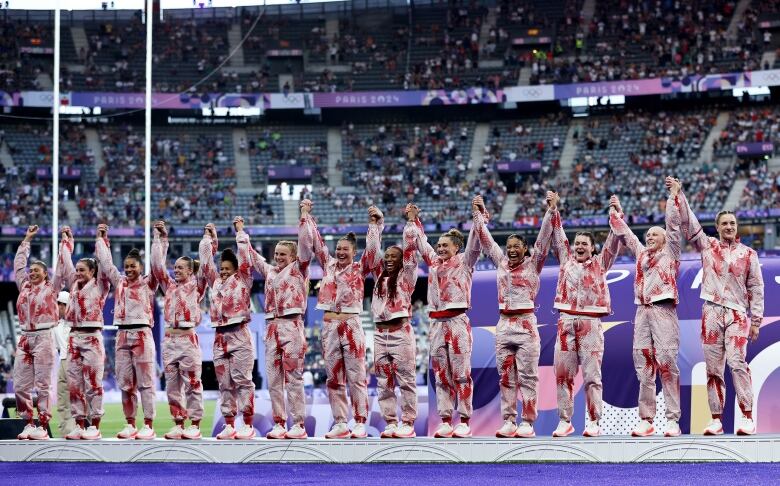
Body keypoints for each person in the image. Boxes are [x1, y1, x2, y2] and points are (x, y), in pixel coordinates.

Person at [678, 185, 764, 435]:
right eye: (724, 223)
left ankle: (747, 417)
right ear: (717, 227)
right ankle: (716, 419)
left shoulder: (749, 254)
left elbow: (756, 287)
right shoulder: (708, 247)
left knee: (738, 364)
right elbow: (690, 224)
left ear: (737, 227)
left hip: (738, 313)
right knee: (713, 368)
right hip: (712, 313)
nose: (729, 227)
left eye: (732, 223)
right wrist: (679, 195)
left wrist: (756, 320)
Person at [472, 193, 556, 438]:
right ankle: (509, 420)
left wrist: (551, 211)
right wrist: (478, 213)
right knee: (505, 376)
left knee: (528, 376)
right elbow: (486, 241)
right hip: (504, 324)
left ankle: (528, 422)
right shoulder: (500, 263)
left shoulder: (534, 264)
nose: (510, 251)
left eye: (516, 247)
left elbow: (543, 239)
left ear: (525, 249)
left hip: (526, 325)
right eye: (508, 247)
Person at [298, 200, 383, 439]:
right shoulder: (328, 266)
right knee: (334, 377)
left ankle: (359, 421)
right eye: (339, 248)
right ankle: (339, 422)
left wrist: (374, 225)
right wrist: (306, 215)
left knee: (356, 376)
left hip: (351, 324)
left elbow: (373, 250)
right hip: (329, 326)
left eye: (345, 249)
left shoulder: (360, 267)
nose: (340, 252)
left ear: (354, 252)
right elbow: (315, 242)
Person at [609, 178, 683, 437]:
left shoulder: (671, 254)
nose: (650, 236)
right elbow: (627, 236)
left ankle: (672, 419)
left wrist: (674, 197)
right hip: (642, 312)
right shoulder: (642, 255)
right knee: (643, 364)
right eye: (648, 234)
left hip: (663, 310)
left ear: (664, 239)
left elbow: (674, 228)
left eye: (655, 234)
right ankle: (647, 419)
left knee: (666, 362)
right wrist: (617, 213)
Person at [404, 200, 481, 438]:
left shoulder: (466, 261)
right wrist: (413, 219)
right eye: (438, 245)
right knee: (441, 374)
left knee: (461, 374)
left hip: (457, 321)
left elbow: (476, 242)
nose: (440, 248)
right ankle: (446, 419)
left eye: (445, 245)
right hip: (436, 324)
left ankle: (465, 421)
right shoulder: (434, 264)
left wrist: (478, 215)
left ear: (457, 247)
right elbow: (420, 241)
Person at [549, 193, 622, 438]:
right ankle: (565, 420)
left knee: (592, 375)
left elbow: (613, 242)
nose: (579, 246)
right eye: (577, 243)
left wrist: (615, 215)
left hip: (591, 323)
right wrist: (554, 210)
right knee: (562, 375)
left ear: (592, 248)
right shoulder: (565, 261)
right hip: (566, 321)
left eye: (584, 244)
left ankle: (593, 421)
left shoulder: (601, 264)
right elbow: (558, 235)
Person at [95, 223, 159, 440]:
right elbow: (106, 263)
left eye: (133, 266)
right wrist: (102, 239)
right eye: (127, 266)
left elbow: (158, 264)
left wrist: (158, 239)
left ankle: (148, 424)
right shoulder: (120, 282)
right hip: (122, 335)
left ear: (140, 267)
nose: (129, 269)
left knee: (146, 383)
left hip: (141, 333)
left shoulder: (149, 283)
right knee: (125, 383)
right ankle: (130, 423)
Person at [247, 232, 310, 440]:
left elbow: (306, 247)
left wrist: (304, 219)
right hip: (271, 327)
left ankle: (298, 424)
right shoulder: (270, 272)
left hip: (291, 326)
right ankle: (280, 423)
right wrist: (241, 234)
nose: (279, 257)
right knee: (273, 380)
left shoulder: (298, 270)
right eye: (276, 254)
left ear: (293, 257)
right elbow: (254, 257)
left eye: (283, 254)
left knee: (293, 378)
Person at [200, 218, 257, 440]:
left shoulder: (243, 278)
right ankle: (230, 424)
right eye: (221, 268)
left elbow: (244, 257)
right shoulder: (215, 283)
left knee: (243, 381)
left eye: (227, 269)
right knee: (224, 384)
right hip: (219, 336)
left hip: (239, 334)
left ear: (236, 270)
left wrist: (240, 233)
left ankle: (248, 424)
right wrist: (209, 239)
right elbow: (205, 263)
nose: (222, 272)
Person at [151, 221, 207, 440]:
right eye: (175, 268)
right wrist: (161, 239)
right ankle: (178, 423)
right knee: (172, 386)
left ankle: (194, 424)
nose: (175, 271)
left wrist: (208, 240)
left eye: (180, 268)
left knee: (193, 383)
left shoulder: (197, 285)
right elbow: (157, 266)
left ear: (191, 271)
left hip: (187, 339)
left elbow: (207, 268)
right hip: (169, 340)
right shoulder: (170, 287)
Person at [56, 226, 109, 440]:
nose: (78, 273)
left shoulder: (100, 286)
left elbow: (105, 265)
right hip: (74, 338)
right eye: (77, 270)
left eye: (82, 270)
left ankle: (94, 425)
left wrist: (102, 241)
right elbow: (66, 264)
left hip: (92, 337)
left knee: (93, 384)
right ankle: (79, 424)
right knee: (75, 385)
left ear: (93, 272)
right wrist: (66, 243)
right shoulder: (75, 286)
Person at [13, 225, 63, 440]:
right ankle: (28, 423)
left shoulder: (52, 288)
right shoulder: (23, 287)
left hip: (44, 337)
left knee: (43, 384)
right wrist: (26, 240)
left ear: (45, 274)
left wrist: (65, 245)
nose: (31, 273)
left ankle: (42, 425)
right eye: (31, 271)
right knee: (20, 384)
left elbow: (62, 271)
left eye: (36, 271)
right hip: (25, 337)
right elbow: (18, 266)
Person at [371, 222, 419, 439]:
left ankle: (408, 422)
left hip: (401, 331)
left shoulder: (407, 278)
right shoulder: (379, 279)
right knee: (383, 381)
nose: (389, 259)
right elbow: (372, 250)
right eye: (387, 256)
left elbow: (410, 251)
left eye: (394, 256)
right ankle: (390, 421)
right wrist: (375, 226)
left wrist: (410, 223)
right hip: (380, 334)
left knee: (406, 380)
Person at [53, 290, 76, 437]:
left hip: (74, 359)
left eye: (60, 305)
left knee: (79, 398)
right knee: (62, 399)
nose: (58, 307)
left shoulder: (76, 323)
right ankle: (66, 432)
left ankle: (84, 428)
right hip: (63, 359)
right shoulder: (56, 324)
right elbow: (57, 347)